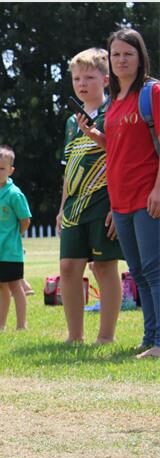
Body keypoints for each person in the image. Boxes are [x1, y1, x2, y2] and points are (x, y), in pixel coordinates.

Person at [81, 28, 160, 359]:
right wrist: (95, 135)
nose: (121, 59)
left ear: (140, 56)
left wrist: (158, 189)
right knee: (139, 271)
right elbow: (118, 149)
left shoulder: (151, 92)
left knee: (155, 269)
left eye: (128, 53)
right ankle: (150, 337)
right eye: (115, 55)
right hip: (121, 199)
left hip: (148, 195)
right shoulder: (114, 101)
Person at [57, 48, 122, 344]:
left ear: (106, 80)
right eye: (76, 78)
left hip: (104, 203)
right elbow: (68, 168)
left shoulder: (115, 113)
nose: (82, 84)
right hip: (74, 207)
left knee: (104, 266)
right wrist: (61, 208)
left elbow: (123, 159)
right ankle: (74, 336)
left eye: (89, 77)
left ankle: (106, 336)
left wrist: (117, 207)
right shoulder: (72, 122)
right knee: (69, 267)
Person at [0, 146, 31, 331]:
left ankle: (21, 325)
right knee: (1, 286)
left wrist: (14, 237)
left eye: (2, 168)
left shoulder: (14, 194)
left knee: (15, 286)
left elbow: (25, 220)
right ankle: (0, 324)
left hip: (9, 251)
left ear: (10, 170)